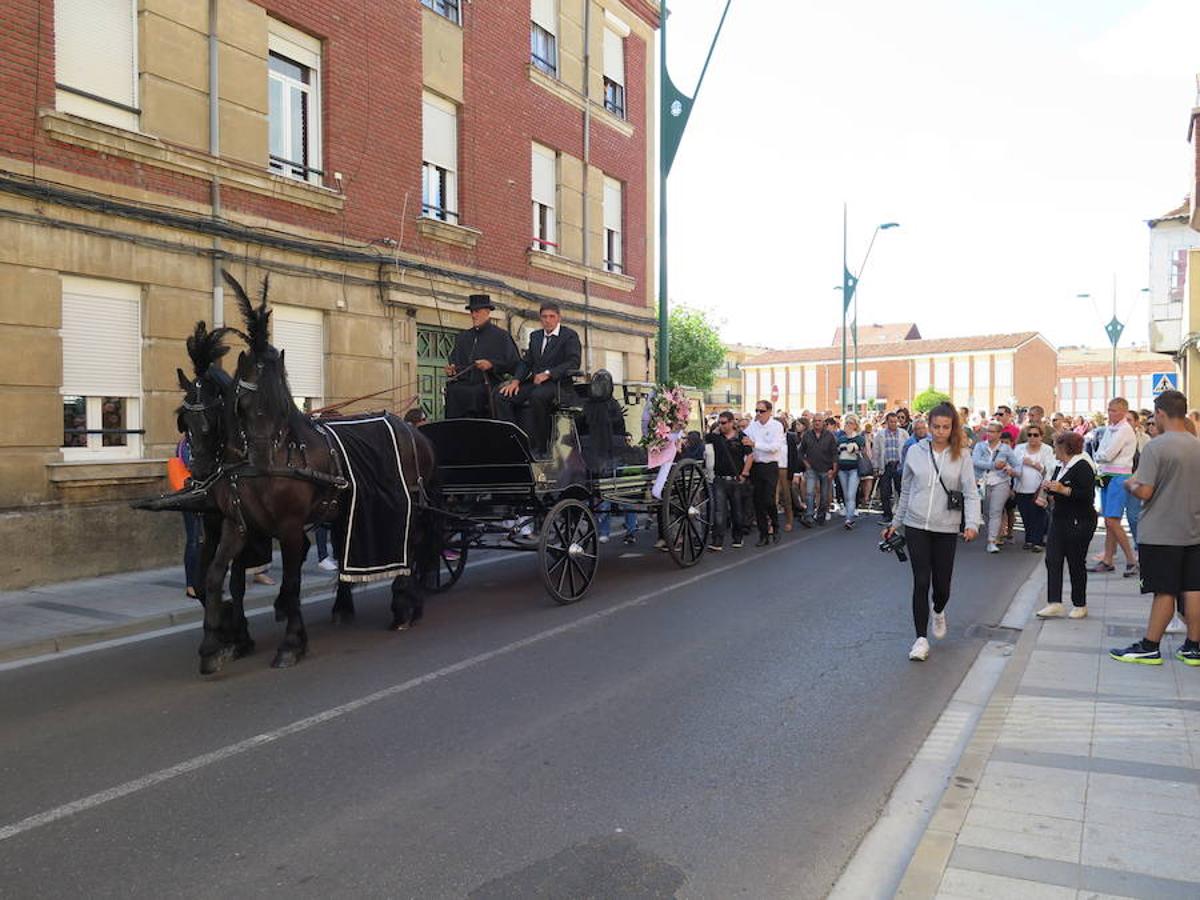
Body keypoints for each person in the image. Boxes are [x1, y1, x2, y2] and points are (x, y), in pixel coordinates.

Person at [885, 403, 981, 661]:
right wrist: (896, 522)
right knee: (921, 582)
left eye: (945, 427)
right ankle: (920, 639)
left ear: (953, 428)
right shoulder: (915, 452)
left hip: (946, 527)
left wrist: (972, 523)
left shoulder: (961, 455)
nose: (940, 432)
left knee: (942, 587)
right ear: (928, 427)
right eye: (935, 427)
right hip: (917, 525)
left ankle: (938, 610)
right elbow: (905, 490)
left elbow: (971, 492)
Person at [1110, 390, 1200, 665]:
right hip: (1193, 528)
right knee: (1193, 588)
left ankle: (1150, 645)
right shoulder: (1197, 445)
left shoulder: (1156, 447)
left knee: (1164, 590)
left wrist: (1129, 484)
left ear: (1160, 413)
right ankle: (1193, 646)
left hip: (1161, 531)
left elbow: (1145, 491)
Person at [497, 301, 582, 454]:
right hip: (535, 382)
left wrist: (548, 373)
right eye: (544, 317)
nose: (547, 320)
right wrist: (516, 380)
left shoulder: (569, 336)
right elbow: (526, 361)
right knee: (502, 394)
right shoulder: (535, 336)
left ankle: (541, 446)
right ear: (540, 318)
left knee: (538, 396)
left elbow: (573, 362)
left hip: (558, 384)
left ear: (558, 318)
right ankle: (513, 441)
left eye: (551, 316)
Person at [1035, 431, 1098, 619]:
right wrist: (1049, 490)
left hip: (1079, 519)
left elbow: (1087, 496)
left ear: (1064, 447)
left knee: (1075, 562)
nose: (1054, 449)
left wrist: (1064, 489)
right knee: (1052, 558)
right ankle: (1054, 602)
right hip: (1060, 517)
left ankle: (1080, 603)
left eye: (1055, 445)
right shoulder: (1059, 466)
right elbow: (1056, 487)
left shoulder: (1082, 466)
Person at [444, 294, 519, 419]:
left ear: (487, 312)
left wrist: (491, 365)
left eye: (477, 311)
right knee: (453, 391)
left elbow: (514, 364)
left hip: (489, 384)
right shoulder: (463, 337)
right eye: (472, 312)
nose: (474, 315)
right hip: (464, 384)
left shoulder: (501, 336)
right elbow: (454, 361)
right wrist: (452, 370)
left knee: (475, 393)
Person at [1089, 397, 1138, 577]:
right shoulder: (1111, 429)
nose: (1111, 413)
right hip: (1107, 475)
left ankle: (1132, 560)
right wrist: (1101, 455)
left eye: (1115, 410)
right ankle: (1108, 559)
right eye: (1109, 410)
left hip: (1119, 476)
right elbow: (1101, 451)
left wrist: (1100, 456)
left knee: (1112, 520)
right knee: (1109, 522)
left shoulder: (1125, 429)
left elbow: (1107, 454)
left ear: (1124, 411)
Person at [742, 399, 785, 546]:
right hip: (756, 466)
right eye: (756, 411)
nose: (758, 414)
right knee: (758, 502)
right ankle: (763, 534)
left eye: (761, 411)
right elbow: (743, 437)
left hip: (770, 466)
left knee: (768, 499)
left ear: (769, 411)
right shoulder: (752, 426)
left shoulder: (776, 426)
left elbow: (774, 447)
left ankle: (775, 525)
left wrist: (755, 444)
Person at [973, 421, 1019, 553]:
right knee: (986, 511)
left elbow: (1016, 464)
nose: (989, 434)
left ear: (999, 434)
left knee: (996, 511)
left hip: (1001, 481)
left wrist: (1010, 470)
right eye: (988, 431)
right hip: (982, 482)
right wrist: (993, 465)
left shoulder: (1005, 448)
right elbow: (975, 462)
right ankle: (992, 534)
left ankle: (992, 541)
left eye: (993, 431)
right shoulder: (980, 446)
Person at [705, 410, 749, 550]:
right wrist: (717, 428)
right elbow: (705, 438)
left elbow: (750, 456)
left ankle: (738, 537)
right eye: (720, 423)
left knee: (737, 511)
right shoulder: (716, 437)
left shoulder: (742, 437)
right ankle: (717, 540)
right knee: (719, 511)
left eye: (724, 423)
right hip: (720, 479)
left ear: (731, 422)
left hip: (735, 479)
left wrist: (744, 474)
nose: (721, 425)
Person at [1012, 424, 1055, 551]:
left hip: (1038, 488)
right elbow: (1014, 464)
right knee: (1025, 515)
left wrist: (1034, 464)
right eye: (1029, 435)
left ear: (1041, 437)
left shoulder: (1046, 449)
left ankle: (1038, 541)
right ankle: (1029, 539)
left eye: (1036, 435)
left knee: (1039, 514)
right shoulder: (1019, 448)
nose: (1032, 438)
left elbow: (1049, 469)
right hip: (1021, 487)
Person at [800, 415, 838, 526]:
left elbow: (834, 453)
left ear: (823, 423)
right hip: (811, 468)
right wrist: (806, 463)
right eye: (815, 421)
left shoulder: (829, 436)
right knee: (809, 493)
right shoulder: (807, 435)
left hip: (826, 469)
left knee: (824, 495)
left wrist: (834, 469)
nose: (817, 423)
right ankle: (809, 516)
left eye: (819, 421)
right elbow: (801, 452)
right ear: (812, 422)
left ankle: (821, 515)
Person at [873, 411, 908, 526]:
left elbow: (907, 449)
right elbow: (876, 451)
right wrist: (876, 467)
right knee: (885, 492)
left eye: (895, 421)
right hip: (886, 466)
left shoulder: (903, 433)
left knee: (901, 490)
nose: (894, 424)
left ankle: (904, 515)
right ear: (887, 422)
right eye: (891, 421)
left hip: (899, 466)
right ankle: (887, 515)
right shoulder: (880, 434)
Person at [835, 414, 866, 530]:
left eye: (850, 423)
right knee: (846, 494)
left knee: (851, 494)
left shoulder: (859, 438)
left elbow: (861, 450)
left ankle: (849, 519)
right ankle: (849, 515)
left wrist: (854, 448)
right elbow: (838, 452)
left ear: (855, 425)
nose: (848, 425)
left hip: (854, 469)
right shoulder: (841, 438)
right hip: (842, 469)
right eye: (846, 422)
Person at [774, 415, 795, 532]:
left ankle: (789, 520)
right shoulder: (771, 438)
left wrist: (793, 473)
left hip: (785, 469)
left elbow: (794, 456)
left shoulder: (790, 438)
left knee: (786, 496)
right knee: (773, 497)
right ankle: (771, 523)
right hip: (772, 468)